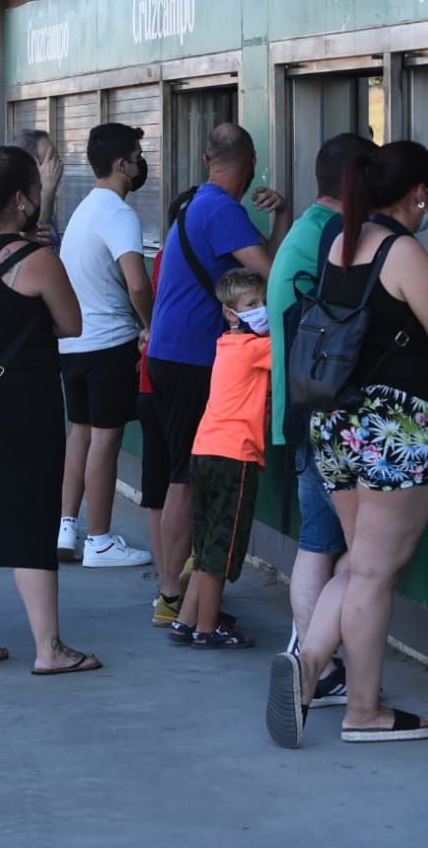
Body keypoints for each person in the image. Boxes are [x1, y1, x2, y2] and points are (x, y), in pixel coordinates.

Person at [267, 141, 428, 750]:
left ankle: (307, 667)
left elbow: (383, 312)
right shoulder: (401, 248)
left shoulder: (342, 239)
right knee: (372, 574)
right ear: (419, 193)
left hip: (336, 423)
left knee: (358, 563)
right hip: (395, 431)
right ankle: (362, 710)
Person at [0, 146, 100, 674]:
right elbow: (72, 324)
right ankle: (49, 648)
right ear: (22, 198)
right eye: (37, 192)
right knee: (33, 519)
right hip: (24, 408)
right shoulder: (36, 261)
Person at [145, 123, 288, 627]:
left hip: (168, 353)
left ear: (208, 159)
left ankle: (180, 595)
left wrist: (280, 218)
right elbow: (275, 273)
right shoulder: (225, 211)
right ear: (248, 163)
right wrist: (284, 219)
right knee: (186, 479)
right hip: (190, 358)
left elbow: (257, 271)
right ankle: (171, 598)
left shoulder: (194, 204)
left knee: (181, 474)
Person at [266, 132, 368, 704]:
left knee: (316, 541)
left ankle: (310, 659)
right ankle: (323, 666)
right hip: (331, 414)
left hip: (301, 410)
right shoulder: (336, 235)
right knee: (363, 553)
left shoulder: (307, 227)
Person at [55, 122, 154, 568]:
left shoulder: (85, 208)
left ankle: (66, 527)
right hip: (109, 344)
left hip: (73, 344)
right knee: (106, 440)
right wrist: (149, 325)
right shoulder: (119, 213)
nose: (140, 162)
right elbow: (137, 282)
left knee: (81, 433)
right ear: (121, 164)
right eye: (137, 154)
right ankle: (100, 541)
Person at [170, 267, 272, 649]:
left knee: (208, 541)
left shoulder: (226, 345)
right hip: (235, 456)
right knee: (222, 547)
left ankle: (187, 619)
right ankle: (208, 629)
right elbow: (294, 346)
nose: (261, 310)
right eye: (252, 304)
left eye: (264, 302)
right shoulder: (257, 348)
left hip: (205, 451)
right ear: (231, 313)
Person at [5, 128, 64, 246]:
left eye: (55, 158)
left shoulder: (43, 201)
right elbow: (33, 252)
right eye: (47, 161)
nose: (55, 167)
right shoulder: (12, 208)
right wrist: (48, 191)